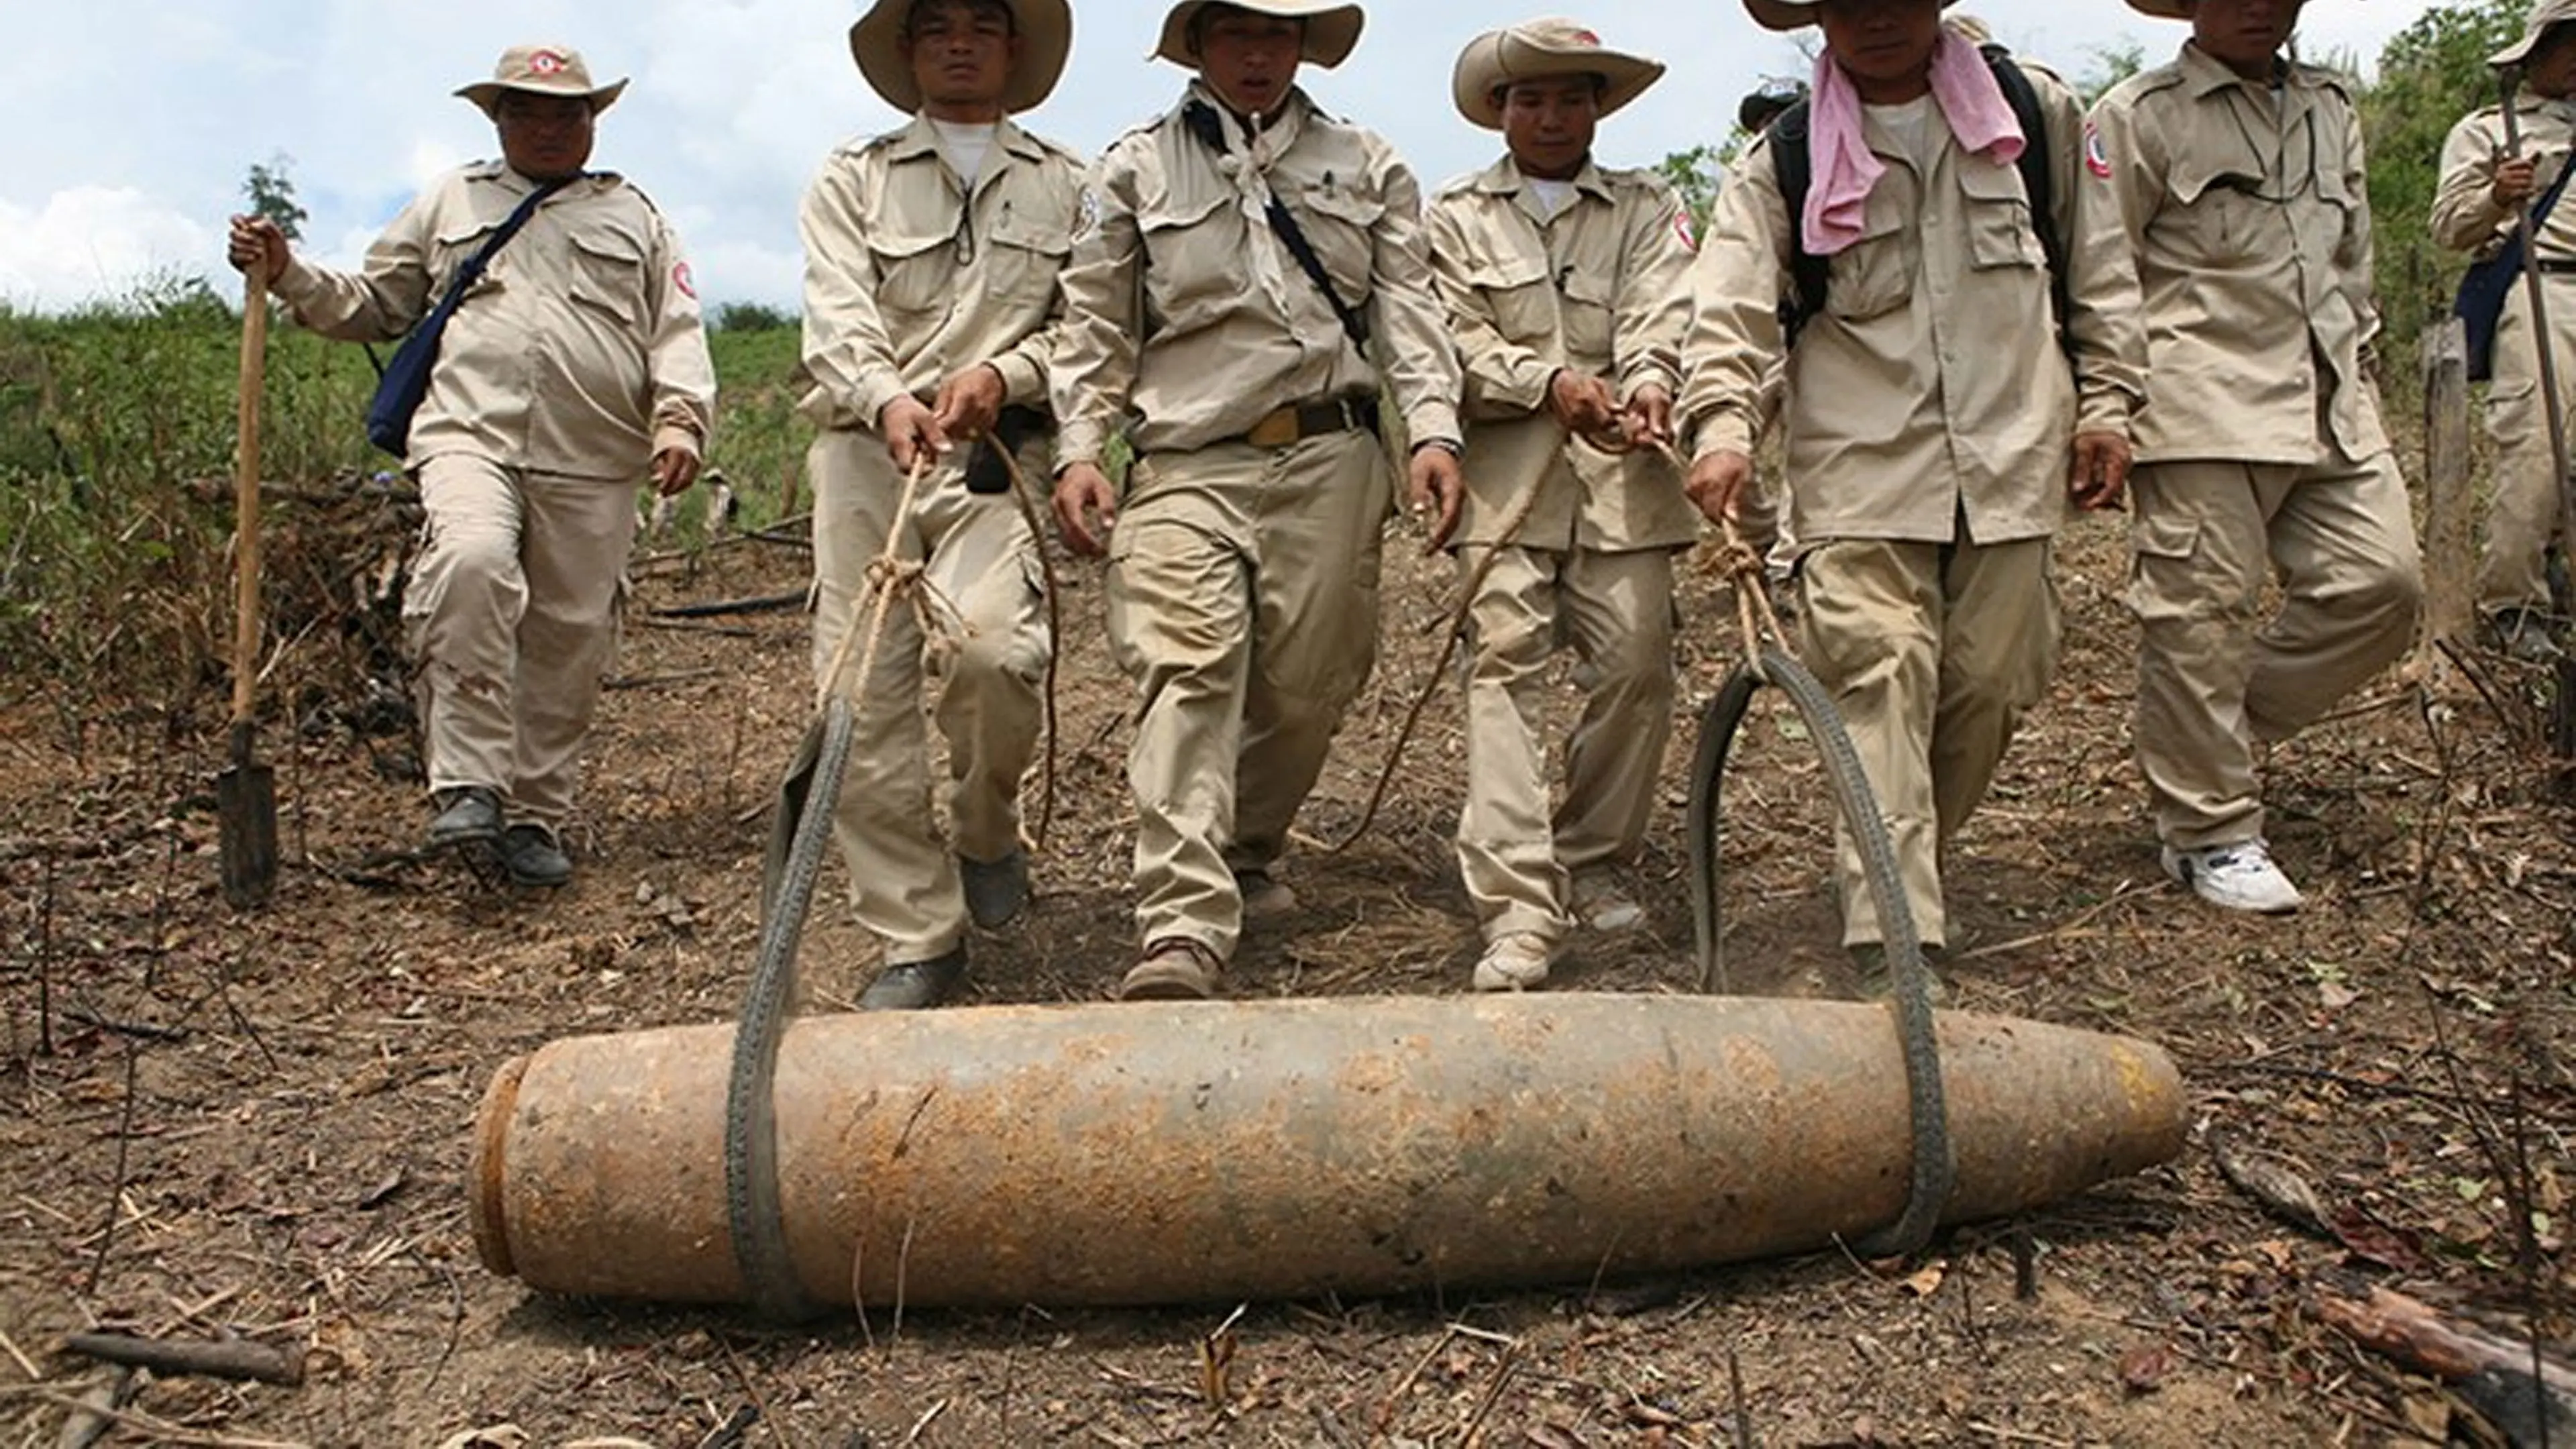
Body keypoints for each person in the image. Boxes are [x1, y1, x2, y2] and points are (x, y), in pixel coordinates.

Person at [1679, 0, 2144, 987]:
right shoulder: (1784, 158)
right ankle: (1894, 939)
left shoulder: (2035, 114)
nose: (1876, 17)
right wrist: (1722, 431)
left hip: (2014, 458)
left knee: (1994, 681)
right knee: (1881, 676)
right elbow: (1726, 314)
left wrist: (2109, 406)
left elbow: (2101, 270)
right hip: (1859, 471)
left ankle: (1898, 859)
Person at [1051, 0, 1466, 1002]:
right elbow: (1097, 323)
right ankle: (1182, 926)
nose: (1256, 53)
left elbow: (1409, 307)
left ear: (1302, 47)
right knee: (1188, 668)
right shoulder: (1134, 168)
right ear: (1196, 44)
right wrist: (1079, 446)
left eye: (1277, 35)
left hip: (1331, 454)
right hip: (1189, 458)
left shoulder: (1368, 163)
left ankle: (1247, 844)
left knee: (1313, 677)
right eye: (1235, 33)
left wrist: (1436, 429)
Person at [227, 44, 714, 889]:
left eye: (571, 111)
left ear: (594, 120)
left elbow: (676, 329)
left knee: (567, 634)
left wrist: (679, 423)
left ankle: (534, 816)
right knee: (470, 564)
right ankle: (467, 786)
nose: (552, 126)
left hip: (595, 455)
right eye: (529, 109)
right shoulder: (452, 198)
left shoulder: (636, 216)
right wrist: (288, 273)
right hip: (469, 434)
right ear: (498, 117)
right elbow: (375, 304)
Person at [2092, 0, 2423, 915]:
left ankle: (2207, 739)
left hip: (2329, 398)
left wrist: (2360, 357)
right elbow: (2100, 268)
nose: (2254, 7)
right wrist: (2106, 406)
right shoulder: (2139, 113)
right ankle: (2208, 831)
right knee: (2200, 615)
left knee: (2383, 587)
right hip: (2199, 398)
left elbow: (2352, 254)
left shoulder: (2331, 105)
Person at [798, 0, 1083, 1010]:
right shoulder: (851, 177)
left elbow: (1084, 335)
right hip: (864, 454)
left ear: (1014, 48)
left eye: (982, 23)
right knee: (860, 703)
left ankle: (987, 832)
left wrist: (1005, 372)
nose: (959, 41)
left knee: (997, 654)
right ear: (909, 50)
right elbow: (833, 314)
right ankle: (916, 935)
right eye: (935, 26)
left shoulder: (1070, 184)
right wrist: (885, 397)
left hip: (991, 457)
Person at [1424, 19, 1695, 991]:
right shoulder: (1452, 215)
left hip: (1625, 481)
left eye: (1570, 97)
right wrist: (1544, 382)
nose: (1550, 116)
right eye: (1529, 99)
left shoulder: (1646, 205)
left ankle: (1592, 854)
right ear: (1500, 110)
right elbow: (1443, 337)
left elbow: (1668, 309)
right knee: (1502, 672)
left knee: (1638, 666)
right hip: (1507, 487)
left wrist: (1653, 380)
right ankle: (1517, 907)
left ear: (1597, 107)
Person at [2433, 0, 2576, 663]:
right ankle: (2512, 606)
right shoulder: (2493, 128)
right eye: (2567, 40)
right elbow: (2449, 228)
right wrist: (2497, 195)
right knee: (2538, 452)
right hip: (2543, 287)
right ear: (2537, 51)